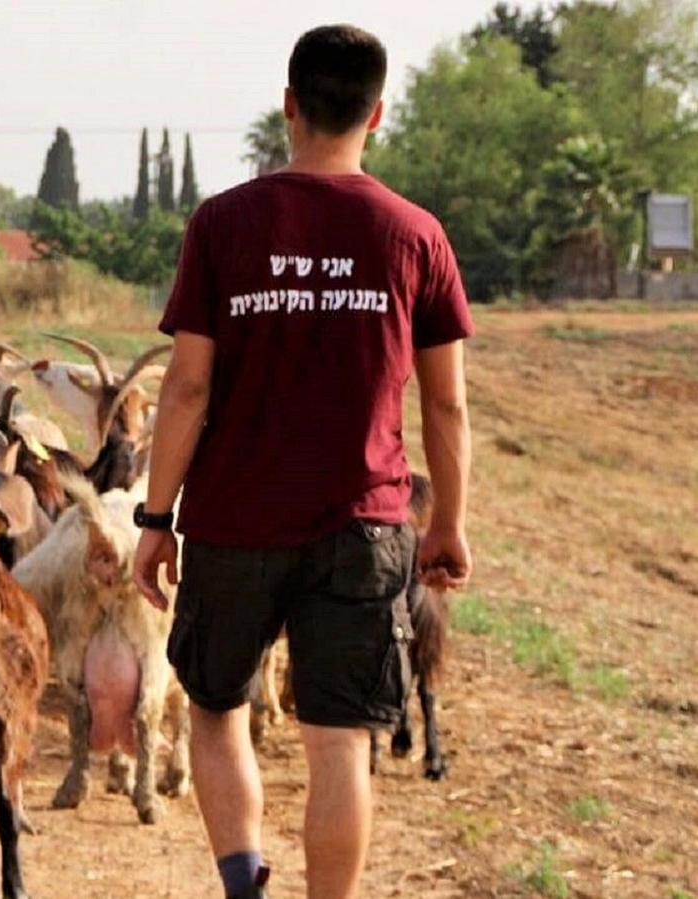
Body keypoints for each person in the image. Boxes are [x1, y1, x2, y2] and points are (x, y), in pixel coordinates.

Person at [132, 24, 473, 899]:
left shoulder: (223, 224)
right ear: (379, 114)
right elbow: (446, 404)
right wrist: (449, 525)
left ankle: (243, 884)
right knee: (341, 739)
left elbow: (187, 389)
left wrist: (154, 517)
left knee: (217, 707)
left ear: (289, 106)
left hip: (234, 521)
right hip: (363, 526)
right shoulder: (416, 236)